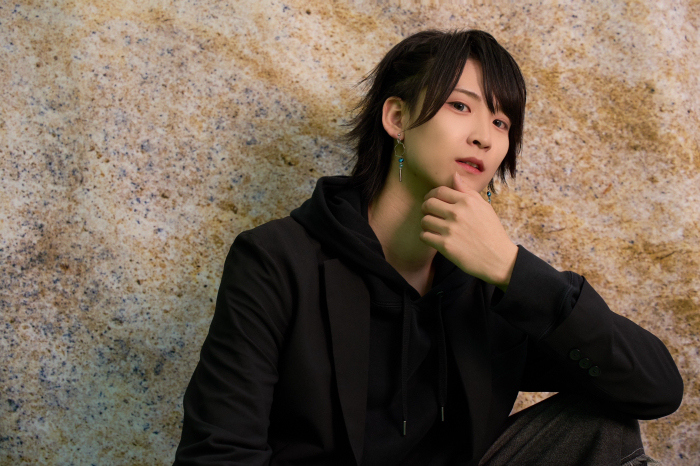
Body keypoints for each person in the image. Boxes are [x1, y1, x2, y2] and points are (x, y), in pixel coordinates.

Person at [174, 30, 683, 465]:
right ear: (397, 119)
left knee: (603, 423)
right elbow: (219, 452)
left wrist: (512, 269)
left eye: (502, 122)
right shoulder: (277, 260)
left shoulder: (491, 287)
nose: (484, 137)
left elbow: (655, 389)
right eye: (460, 106)